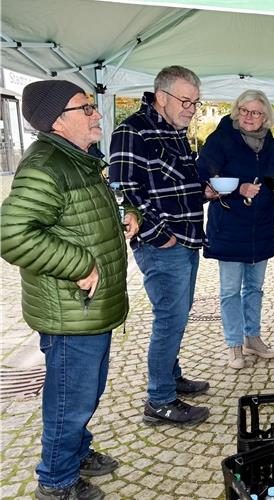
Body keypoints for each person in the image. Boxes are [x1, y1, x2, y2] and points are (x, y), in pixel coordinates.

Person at [1, 80, 139, 500]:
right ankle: (56, 480)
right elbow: (13, 235)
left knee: (87, 390)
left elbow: (79, 215)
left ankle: (76, 453)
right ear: (58, 121)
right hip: (69, 311)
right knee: (70, 399)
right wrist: (78, 264)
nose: (97, 115)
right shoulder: (46, 165)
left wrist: (125, 214)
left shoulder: (77, 159)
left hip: (88, 309)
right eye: (87, 109)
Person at [109, 65, 210, 426]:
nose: (191, 109)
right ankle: (159, 400)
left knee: (177, 317)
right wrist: (158, 235)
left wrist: (204, 191)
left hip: (187, 240)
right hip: (163, 245)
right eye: (185, 101)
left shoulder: (176, 131)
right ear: (161, 97)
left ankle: (171, 376)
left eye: (196, 103)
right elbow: (122, 193)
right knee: (170, 318)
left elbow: (178, 184)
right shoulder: (132, 130)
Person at [196, 90, 274, 368]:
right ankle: (234, 345)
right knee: (229, 291)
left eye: (256, 112)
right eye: (245, 111)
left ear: (266, 116)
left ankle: (253, 338)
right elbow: (204, 178)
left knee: (255, 289)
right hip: (228, 226)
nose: (249, 117)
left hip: (260, 226)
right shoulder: (221, 138)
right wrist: (239, 189)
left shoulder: (270, 143)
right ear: (237, 111)